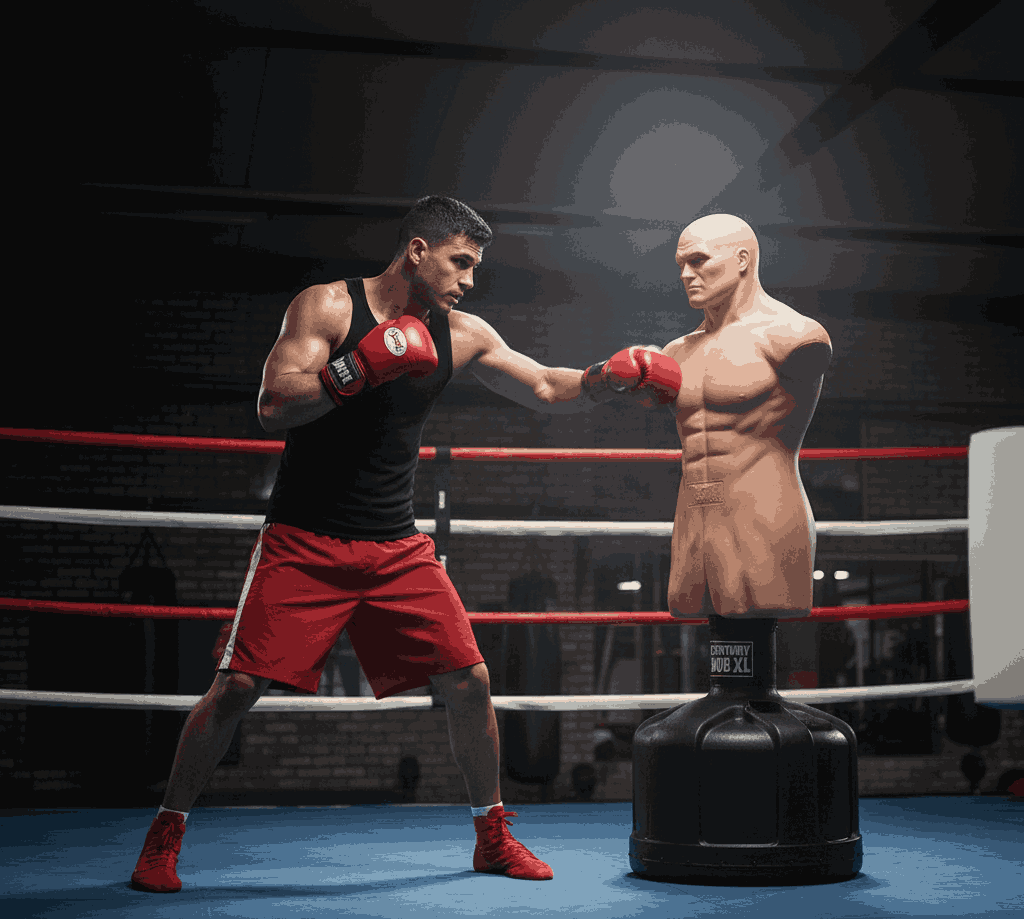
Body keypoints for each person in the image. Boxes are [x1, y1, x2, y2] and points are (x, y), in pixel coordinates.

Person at [130, 195, 682, 893]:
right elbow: (274, 404)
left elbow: (546, 384)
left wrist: (609, 378)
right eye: (461, 261)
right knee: (237, 684)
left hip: (394, 545)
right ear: (417, 250)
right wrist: (356, 368)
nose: (468, 278)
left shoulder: (462, 333)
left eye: (474, 266)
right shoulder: (327, 307)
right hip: (303, 539)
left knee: (469, 680)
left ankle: (492, 836)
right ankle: (164, 835)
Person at [660, 213, 832, 620]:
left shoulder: (792, 335)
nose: (686, 274)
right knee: (699, 622)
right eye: (681, 264)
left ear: (741, 260)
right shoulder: (675, 353)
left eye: (699, 260)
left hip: (764, 508)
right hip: (692, 514)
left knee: (762, 628)